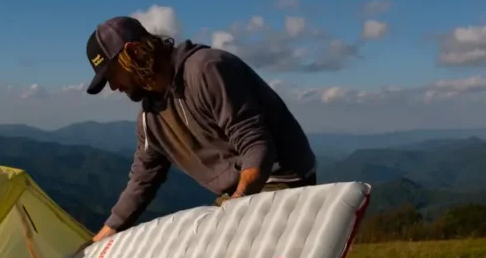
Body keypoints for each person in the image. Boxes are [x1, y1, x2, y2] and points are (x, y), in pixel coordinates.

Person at [84, 15, 317, 243]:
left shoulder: (206, 69)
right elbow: (142, 178)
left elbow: (255, 144)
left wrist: (239, 203)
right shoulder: (150, 118)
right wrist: (103, 236)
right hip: (237, 193)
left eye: (112, 75)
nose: (113, 87)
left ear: (133, 52)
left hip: (279, 179)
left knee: (225, 257)